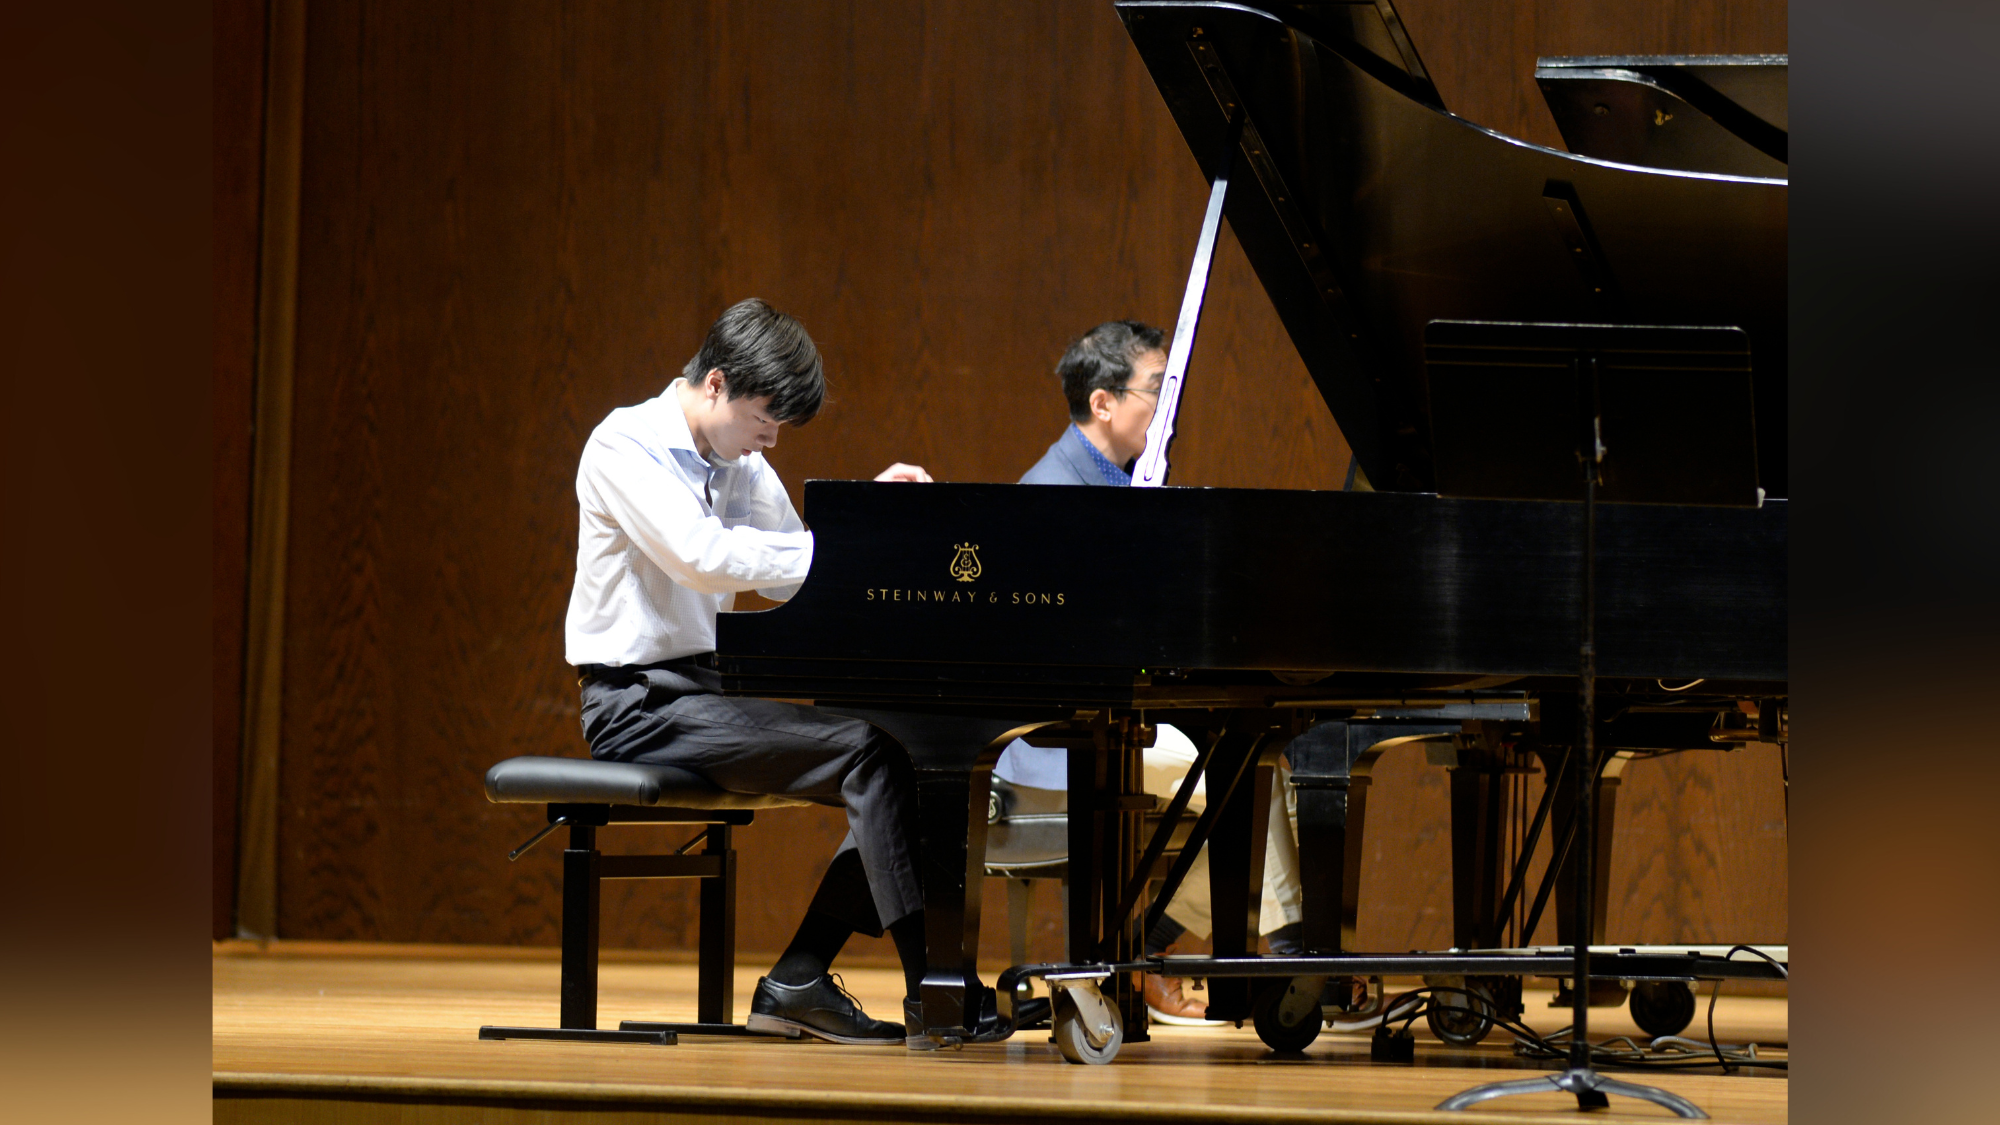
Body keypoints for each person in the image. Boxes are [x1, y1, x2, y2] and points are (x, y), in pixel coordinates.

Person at [566, 297, 1015, 1050]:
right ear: (715, 384)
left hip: (704, 689)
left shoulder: (737, 455)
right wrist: (835, 552)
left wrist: (868, 519)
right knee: (870, 752)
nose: (769, 441)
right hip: (634, 703)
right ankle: (937, 993)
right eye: (763, 419)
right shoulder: (622, 447)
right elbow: (702, 556)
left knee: (902, 751)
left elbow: (792, 568)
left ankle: (802, 975)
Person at [1003, 320, 1308, 1025]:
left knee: (1257, 766)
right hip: (1053, 738)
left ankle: (1166, 947)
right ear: (1104, 403)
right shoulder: (1054, 492)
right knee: (1246, 773)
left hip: (1110, 715)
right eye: (1156, 390)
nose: (1169, 409)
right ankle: (1284, 956)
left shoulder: (1118, 487)